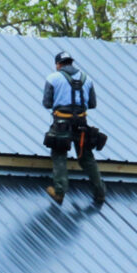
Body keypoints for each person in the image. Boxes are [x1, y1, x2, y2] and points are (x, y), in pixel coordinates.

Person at [42, 50, 107, 206]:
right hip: (81, 125)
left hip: (61, 124)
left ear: (58, 64)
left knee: (59, 155)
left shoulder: (52, 78)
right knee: (87, 158)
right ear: (71, 62)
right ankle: (100, 193)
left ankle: (59, 192)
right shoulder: (87, 79)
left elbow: (47, 103)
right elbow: (92, 104)